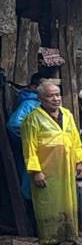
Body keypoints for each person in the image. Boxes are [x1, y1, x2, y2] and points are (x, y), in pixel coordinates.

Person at [21, 81, 82, 245]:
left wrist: (78, 160)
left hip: (66, 168)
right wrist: (36, 171)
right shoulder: (33, 119)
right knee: (48, 203)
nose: (55, 99)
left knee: (69, 202)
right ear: (41, 99)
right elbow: (29, 148)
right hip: (47, 170)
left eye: (57, 95)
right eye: (50, 96)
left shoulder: (67, 115)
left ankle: (70, 236)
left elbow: (75, 140)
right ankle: (50, 239)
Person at [7, 72, 50, 202]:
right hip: (32, 155)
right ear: (33, 87)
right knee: (31, 188)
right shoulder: (29, 104)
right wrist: (29, 142)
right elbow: (14, 125)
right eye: (43, 87)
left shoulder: (43, 104)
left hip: (47, 156)